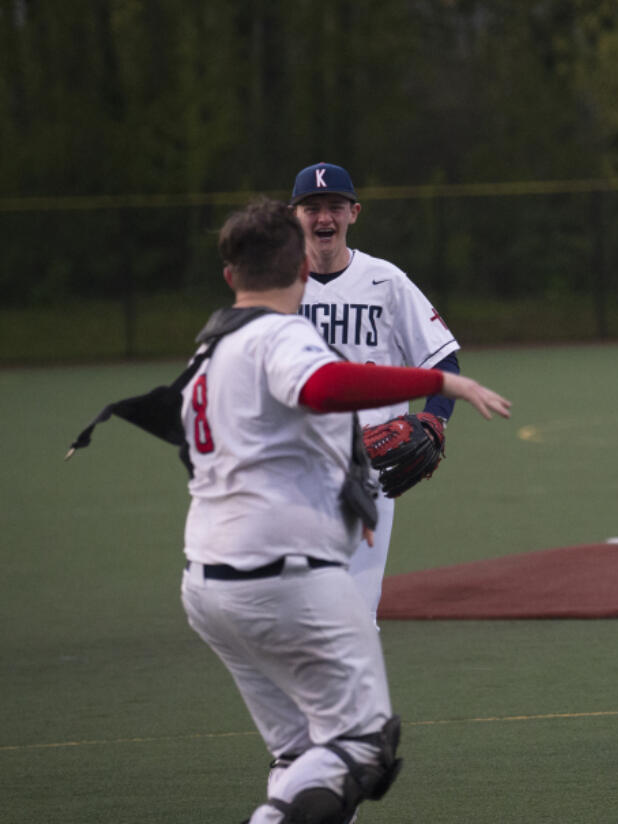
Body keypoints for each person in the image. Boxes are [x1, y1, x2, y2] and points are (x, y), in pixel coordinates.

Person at [180, 198, 510, 823]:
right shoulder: (281, 335)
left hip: (205, 578)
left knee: (301, 750)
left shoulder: (208, 349)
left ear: (230, 276)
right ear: (301, 272)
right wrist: (436, 385)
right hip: (278, 570)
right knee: (363, 745)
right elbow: (324, 386)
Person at [291, 162, 461, 623]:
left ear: (354, 213)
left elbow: (442, 359)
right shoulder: (277, 286)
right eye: (312, 208)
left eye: (334, 207)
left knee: (355, 614)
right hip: (293, 467)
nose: (324, 218)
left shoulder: (386, 280)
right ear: (296, 217)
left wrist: (434, 419)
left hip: (369, 464)